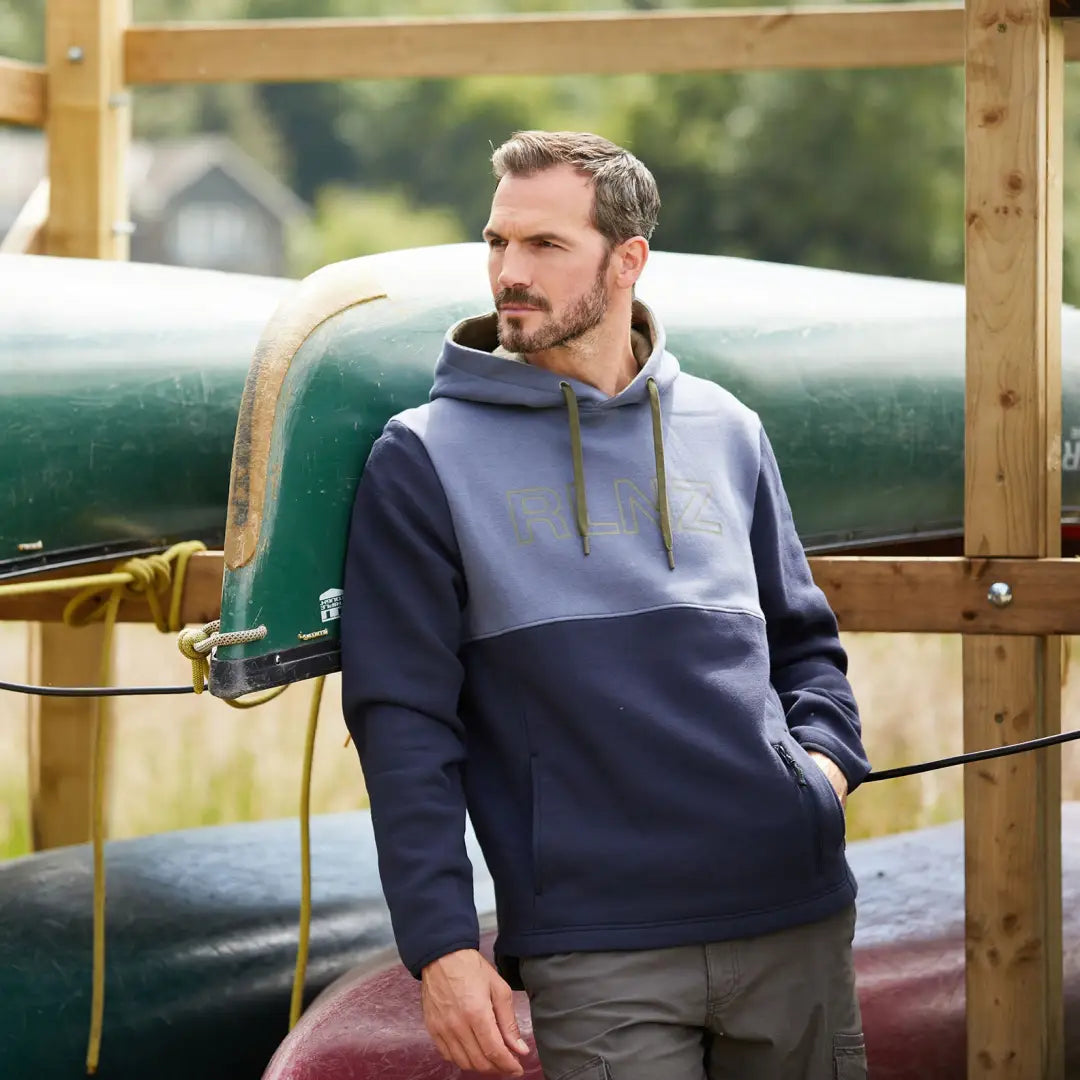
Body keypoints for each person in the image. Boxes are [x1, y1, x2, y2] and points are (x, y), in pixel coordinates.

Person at [341, 130, 871, 1080]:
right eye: (498, 243)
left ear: (628, 259)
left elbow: (804, 645)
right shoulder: (423, 458)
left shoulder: (725, 428)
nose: (509, 271)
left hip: (792, 910)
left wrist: (820, 781)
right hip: (596, 942)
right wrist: (442, 943)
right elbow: (403, 722)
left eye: (545, 246)